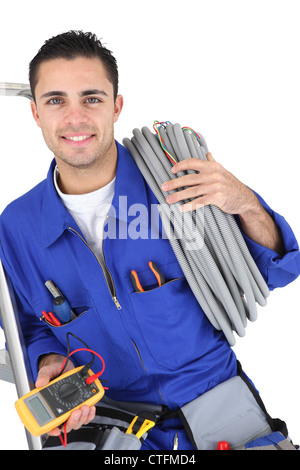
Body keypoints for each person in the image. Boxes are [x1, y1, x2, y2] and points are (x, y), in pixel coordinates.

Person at [0, 30, 299, 450]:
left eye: (92, 98)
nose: (75, 118)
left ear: (116, 106)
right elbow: (27, 326)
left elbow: (274, 270)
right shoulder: (16, 227)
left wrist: (243, 202)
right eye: (55, 100)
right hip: (105, 417)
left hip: (215, 402)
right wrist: (51, 361)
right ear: (35, 112)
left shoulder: (177, 180)